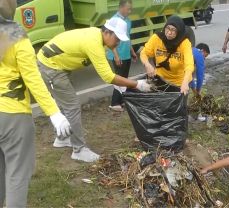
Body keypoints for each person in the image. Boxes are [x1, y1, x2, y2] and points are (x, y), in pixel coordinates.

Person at [37, 17, 151, 163]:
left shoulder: (98, 35)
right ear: (108, 33)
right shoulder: (94, 44)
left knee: (66, 104)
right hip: (51, 68)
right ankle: (79, 150)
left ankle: (62, 138)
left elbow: (109, 68)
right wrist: (137, 84)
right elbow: (108, 77)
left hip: (55, 64)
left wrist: (124, 82)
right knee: (72, 106)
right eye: (117, 39)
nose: (118, 43)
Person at [0, 0, 71, 206]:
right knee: (17, 175)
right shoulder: (14, 34)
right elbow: (32, 78)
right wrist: (54, 112)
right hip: (12, 116)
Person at [140, 15, 194, 94]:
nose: (169, 32)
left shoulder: (184, 43)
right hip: (161, 80)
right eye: (167, 28)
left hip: (179, 83)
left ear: (179, 31)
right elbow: (144, 53)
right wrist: (147, 64)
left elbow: (189, 65)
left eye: (173, 30)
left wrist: (185, 82)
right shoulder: (157, 38)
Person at [107, 0, 138, 112]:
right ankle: (114, 103)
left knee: (124, 78)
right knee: (119, 78)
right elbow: (110, 40)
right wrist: (116, 55)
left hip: (126, 54)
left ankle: (121, 101)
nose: (129, 11)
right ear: (121, 7)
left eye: (130, 9)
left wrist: (132, 52)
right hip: (117, 54)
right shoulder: (114, 20)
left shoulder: (128, 21)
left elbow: (127, 37)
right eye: (128, 9)